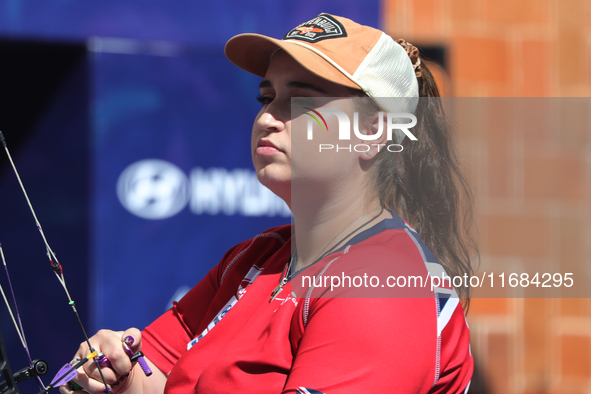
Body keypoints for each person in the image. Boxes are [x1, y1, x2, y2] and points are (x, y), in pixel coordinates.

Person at [61, 13, 476, 394]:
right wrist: (116, 374)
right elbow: (157, 376)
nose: (268, 117)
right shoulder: (256, 256)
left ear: (371, 132)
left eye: (301, 100)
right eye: (266, 97)